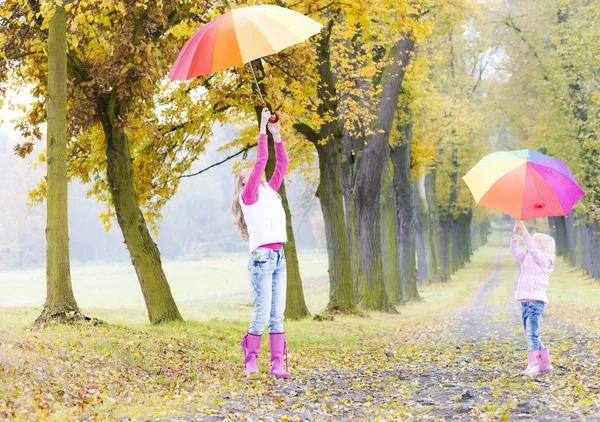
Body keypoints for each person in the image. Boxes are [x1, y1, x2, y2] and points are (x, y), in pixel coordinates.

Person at [230, 107, 290, 379]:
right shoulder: (250, 194)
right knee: (263, 313)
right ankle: (250, 359)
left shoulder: (268, 191)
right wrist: (263, 126)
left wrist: (277, 135)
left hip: (279, 256)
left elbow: (281, 165)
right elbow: (262, 161)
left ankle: (277, 365)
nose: (255, 175)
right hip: (261, 259)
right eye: (250, 174)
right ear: (244, 183)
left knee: (278, 314)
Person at [510, 220, 556, 375]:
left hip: (535, 302)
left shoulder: (546, 260)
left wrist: (525, 230)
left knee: (532, 334)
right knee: (531, 333)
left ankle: (534, 364)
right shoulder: (529, 258)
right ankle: (545, 363)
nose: (530, 246)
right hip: (525, 300)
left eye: (534, 243)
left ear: (541, 245)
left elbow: (533, 250)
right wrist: (516, 234)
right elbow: (515, 251)